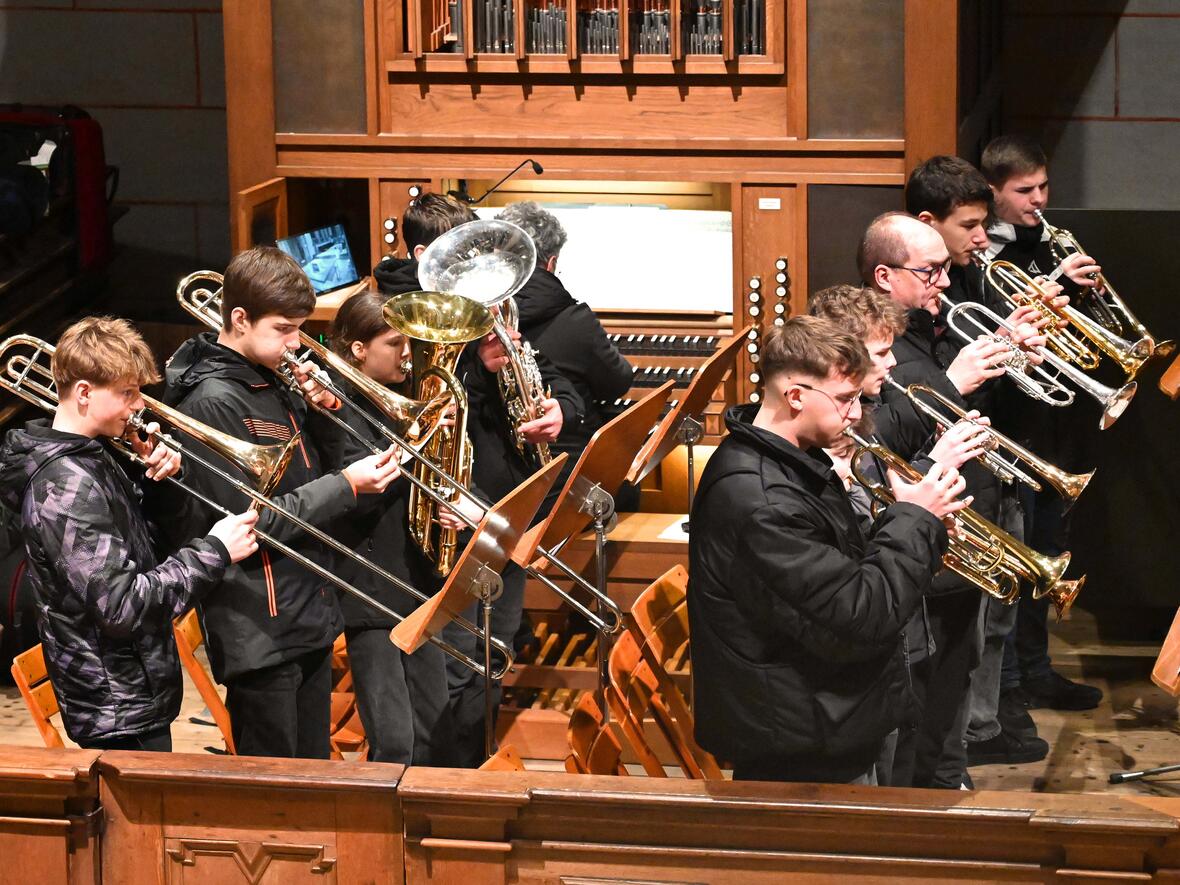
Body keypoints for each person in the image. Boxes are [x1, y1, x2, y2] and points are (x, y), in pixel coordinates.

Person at [688, 314, 965, 785]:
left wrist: (908, 521)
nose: (857, 414)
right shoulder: (762, 500)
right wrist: (913, 521)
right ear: (795, 395)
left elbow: (839, 575)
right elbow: (863, 613)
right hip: (801, 741)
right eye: (845, 399)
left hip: (824, 717)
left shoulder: (793, 463)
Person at [165, 247, 402, 759]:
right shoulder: (212, 401)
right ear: (240, 319)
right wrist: (346, 486)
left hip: (306, 613)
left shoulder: (273, 380)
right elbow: (250, 521)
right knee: (275, 791)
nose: (296, 344)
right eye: (283, 329)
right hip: (260, 628)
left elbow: (312, 470)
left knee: (312, 776)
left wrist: (325, 414)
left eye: (299, 328)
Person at [375, 193, 584, 766]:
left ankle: (475, 775)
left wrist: (558, 407)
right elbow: (401, 414)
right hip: (445, 520)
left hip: (502, 510)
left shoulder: (490, 310)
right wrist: (475, 368)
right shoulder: (392, 321)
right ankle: (452, 787)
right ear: (424, 255)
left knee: (493, 650)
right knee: (456, 663)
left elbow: (554, 374)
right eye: (461, 259)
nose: (478, 273)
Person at [0, 316, 259, 751]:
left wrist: (161, 484)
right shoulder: (65, 487)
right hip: (117, 709)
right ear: (84, 393)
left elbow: (149, 554)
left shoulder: (92, 457)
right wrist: (215, 551)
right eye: (126, 393)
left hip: (136, 694)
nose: (139, 405)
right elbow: (121, 606)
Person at [860, 210, 1038, 788]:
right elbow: (871, 443)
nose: (945, 280)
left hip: (964, 528)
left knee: (958, 677)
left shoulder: (943, 324)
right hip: (912, 546)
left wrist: (1010, 359)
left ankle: (949, 786)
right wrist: (952, 385)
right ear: (886, 277)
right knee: (918, 692)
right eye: (931, 271)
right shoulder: (863, 344)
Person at [905, 155, 1059, 770]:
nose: (982, 236)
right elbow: (901, 404)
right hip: (943, 488)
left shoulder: (965, 284)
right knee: (954, 638)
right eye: (969, 224)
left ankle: (979, 727)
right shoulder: (899, 314)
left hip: (988, 471)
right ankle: (961, 744)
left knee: (990, 623)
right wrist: (957, 377)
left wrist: (1011, 341)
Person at [809, 283, 993, 786]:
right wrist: (934, 468)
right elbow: (859, 530)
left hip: (903, 617)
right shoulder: (837, 433)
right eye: (881, 353)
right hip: (877, 627)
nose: (892, 365)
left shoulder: (869, 413)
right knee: (890, 761)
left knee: (916, 737)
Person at [982, 134, 1105, 714]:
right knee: (1024, 556)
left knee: (1050, 551)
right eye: (1024, 190)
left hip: (1059, 426)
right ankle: (1012, 685)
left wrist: (1088, 301)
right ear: (993, 192)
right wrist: (1051, 295)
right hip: (1014, 427)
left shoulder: (1051, 243)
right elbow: (996, 336)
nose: (1038, 199)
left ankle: (1035, 670)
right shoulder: (989, 258)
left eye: (1044, 186)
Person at [311, 291, 457, 765]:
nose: (408, 354)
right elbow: (360, 475)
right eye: (395, 343)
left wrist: (450, 492)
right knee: (395, 741)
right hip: (369, 591)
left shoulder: (410, 394)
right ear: (358, 350)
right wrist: (423, 435)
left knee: (435, 726)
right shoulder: (333, 407)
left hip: (418, 580)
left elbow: (435, 478)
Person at [494, 201, 634, 461]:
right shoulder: (575, 320)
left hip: (503, 463)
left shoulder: (483, 314)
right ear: (552, 262)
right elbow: (618, 382)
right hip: (566, 461)